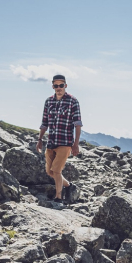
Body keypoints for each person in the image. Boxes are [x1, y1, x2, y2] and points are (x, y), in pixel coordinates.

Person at [36, 74, 82, 204]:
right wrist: (39, 140)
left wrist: (76, 144)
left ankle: (58, 197)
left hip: (65, 142)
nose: (58, 88)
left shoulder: (73, 101)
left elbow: (77, 124)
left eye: (61, 85)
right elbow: (44, 122)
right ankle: (68, 186)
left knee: (56, 170)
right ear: (53, 86)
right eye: (56, 85)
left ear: (65, 86)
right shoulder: (48, 101)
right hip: (51, 142)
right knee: (50, 171)